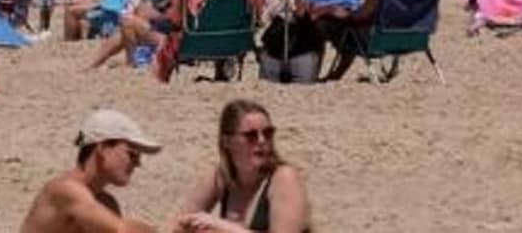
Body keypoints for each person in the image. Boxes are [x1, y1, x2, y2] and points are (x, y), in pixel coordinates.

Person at [177, 99, 311, 232]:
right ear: (227, 142)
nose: (262, 140)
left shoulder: (284, 178)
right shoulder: (221, 175)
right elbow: (180, 222)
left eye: (268, 133)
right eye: (251, 136)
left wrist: (222, 226)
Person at [20, 108, 161, 233]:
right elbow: (121, 230)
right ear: (103, 148)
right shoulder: (65, 190)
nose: (137, 164)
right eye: (132, 155)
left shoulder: (106, 203)